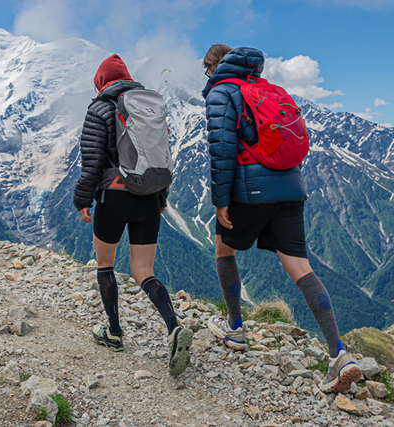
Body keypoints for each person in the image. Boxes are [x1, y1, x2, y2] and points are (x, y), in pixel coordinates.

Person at [201, 44, 362, 393]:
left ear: (212, 67)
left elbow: (222, 150)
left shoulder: (221, 92)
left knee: (223, 249)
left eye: (206, 70)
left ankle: (235, 328)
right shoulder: (270, 90)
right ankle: (339, 356)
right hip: (291, 187)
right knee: (301, 268)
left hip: (251, 188)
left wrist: (220, 200)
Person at [73, 54, 193, 376]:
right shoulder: (149, 109)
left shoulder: (99, 109)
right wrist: (161, 198)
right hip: (148, 197)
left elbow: (92, 161)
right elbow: (161, 158)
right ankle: (173, 327)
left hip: (113, 196)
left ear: (101, 82)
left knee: (106, 265)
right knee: (143, 270)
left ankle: (113, 333)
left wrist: (82, 199)